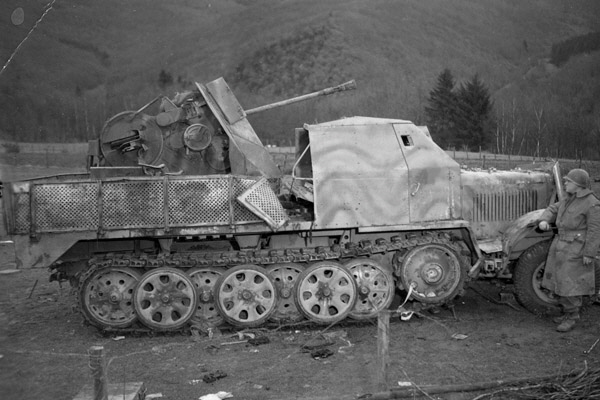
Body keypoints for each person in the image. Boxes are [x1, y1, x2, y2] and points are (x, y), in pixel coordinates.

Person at [537, 168, 600, 332]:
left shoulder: (591, 203)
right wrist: (544, 220)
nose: (565, 183)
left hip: (576, 249)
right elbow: (553, 208)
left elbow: (595, 231)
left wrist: (589, 253)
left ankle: (572, 317)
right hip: (561, 245)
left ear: (578, 185)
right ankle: (567, 313)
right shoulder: (569, 198)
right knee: (559, 281)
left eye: (568, 181)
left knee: (570, 285)